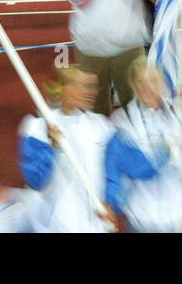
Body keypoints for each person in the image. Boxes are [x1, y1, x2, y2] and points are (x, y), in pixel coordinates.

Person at [106, 58, 182, 233]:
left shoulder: (179, 111)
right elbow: (137, 168)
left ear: (162, 81)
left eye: (153, 80)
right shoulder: (122, 121)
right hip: (144, 217)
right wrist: (168, 149)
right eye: (141, 82)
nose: (148, 88)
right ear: (132, 84)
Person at [18, 66, 119, 233]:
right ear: (65, 87)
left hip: (97, 223)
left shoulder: (103, 127)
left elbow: (114, 173)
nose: (93, 92)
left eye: (94, 86)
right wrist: (51, 147)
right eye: (86, 86)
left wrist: (110, 202)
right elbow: (35, 181)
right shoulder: (37, 127)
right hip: (57, 226)